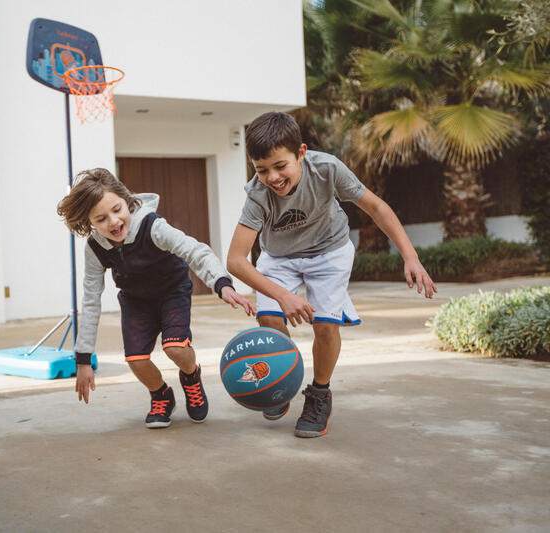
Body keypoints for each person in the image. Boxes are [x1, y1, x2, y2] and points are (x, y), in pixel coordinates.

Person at [226, 112, 436, 438]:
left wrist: (411, 257)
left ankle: (319, 393)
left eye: (281, 166)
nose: (272, 177)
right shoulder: (257, 194)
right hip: (279, 256)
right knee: (270, 319)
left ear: (301, 153)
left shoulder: (326, 169)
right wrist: (283, 296)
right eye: (261, 169)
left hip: (330, 252)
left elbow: (376, 207)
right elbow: (236, 261)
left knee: (325, 323)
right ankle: (278, 379)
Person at [57, 168, 255, 428]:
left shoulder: (152, 226)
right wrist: (83, 359)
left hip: (172, 290)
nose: (114, 222)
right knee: (136, 360)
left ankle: (190, 375)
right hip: (136, 299)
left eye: (117, 209)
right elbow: (91, 299)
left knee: (175, 347)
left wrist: (221, 283)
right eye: (102, 219)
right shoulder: (95, 248)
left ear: (126, 200)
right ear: (91, 223)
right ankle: (161, 394)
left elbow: (196, 251)